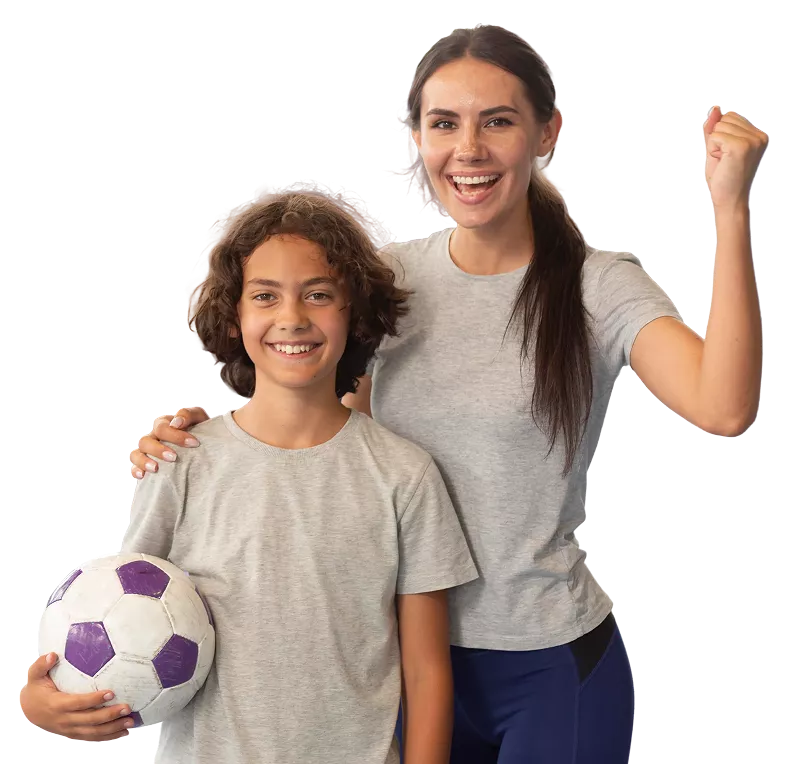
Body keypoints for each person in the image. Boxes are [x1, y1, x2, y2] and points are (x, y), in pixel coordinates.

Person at [125, 24, 767, 764]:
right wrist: (200, 445)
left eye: (497, 120)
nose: (469, 149)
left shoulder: (600, 284)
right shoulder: (389, 281)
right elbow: (325, 435)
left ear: (546, 133)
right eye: (444, 123)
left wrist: (731, 207)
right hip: (393, 661)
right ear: (416, 138)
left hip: (550, 665)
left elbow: (724, 407)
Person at [19, 185, 480, 764]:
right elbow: (117, 615)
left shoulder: (404, 475)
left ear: (354, 311)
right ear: (233, 316)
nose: (292, 318)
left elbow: (426, 666)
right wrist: (39, 703)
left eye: (318, 294)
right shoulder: (180, 460)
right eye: (265, 296)